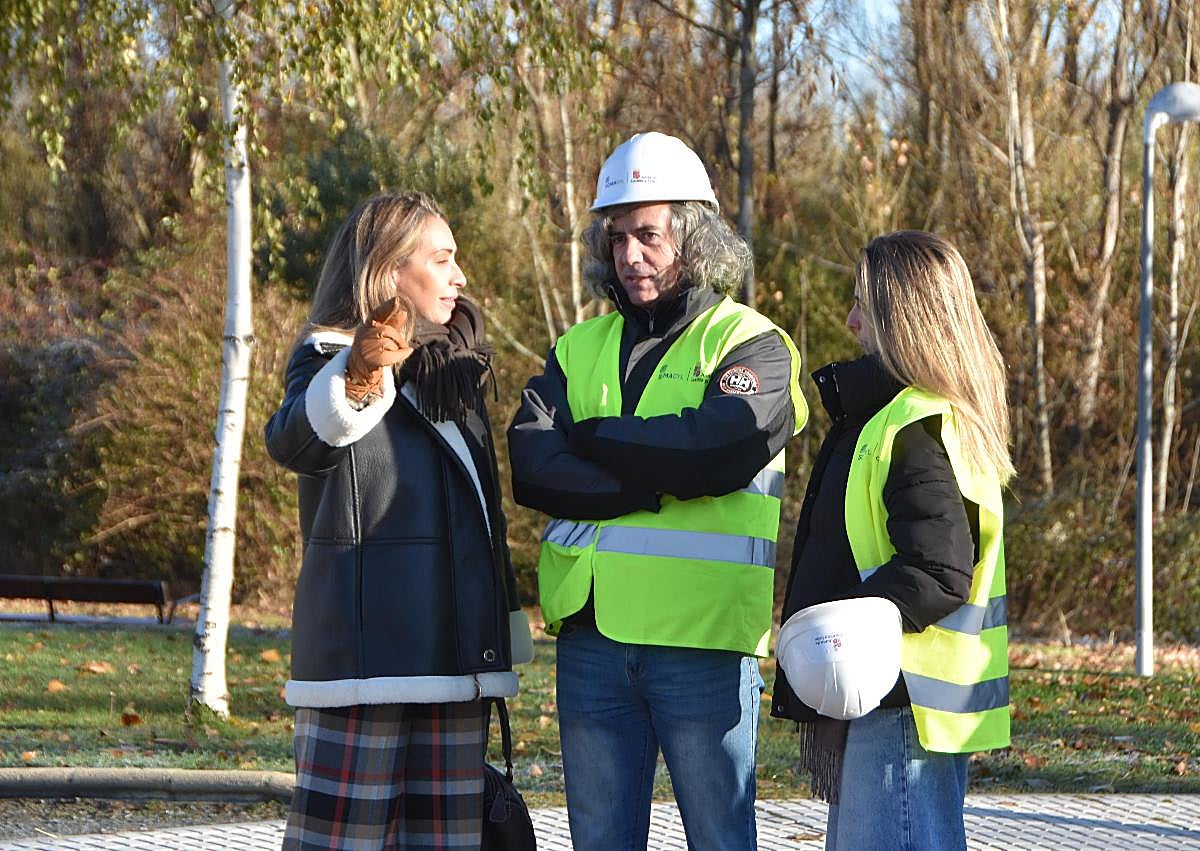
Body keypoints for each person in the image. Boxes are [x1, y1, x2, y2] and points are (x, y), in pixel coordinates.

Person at [507, 131, 808, 851]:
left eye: (649, 236)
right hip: (592, 641)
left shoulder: (754, 343)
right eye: (617, 239)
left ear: (694, 237)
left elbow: (717, 449)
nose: (630, 256)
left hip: (701, 644)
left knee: (719, 840)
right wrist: (655, 482)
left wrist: (592, 436)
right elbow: (532, 467)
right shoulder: (577, 346)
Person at [264, 192, 532, 850]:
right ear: (388, 272)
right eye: (442, 259)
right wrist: (359, 375)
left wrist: (500, 631)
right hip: (364, 666)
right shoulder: (328, 357)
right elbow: (295, 440)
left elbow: (484, 523)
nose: (459, 276)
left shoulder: (455, 372)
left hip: (456, 663)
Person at [771, 230, 1014, 850]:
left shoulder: (912, 428)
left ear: (903, 319)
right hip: (905, 696)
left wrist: (841, 628)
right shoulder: (915, 419)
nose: (850, 320)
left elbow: (939, 571)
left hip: (900, 697)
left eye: (864, 305)